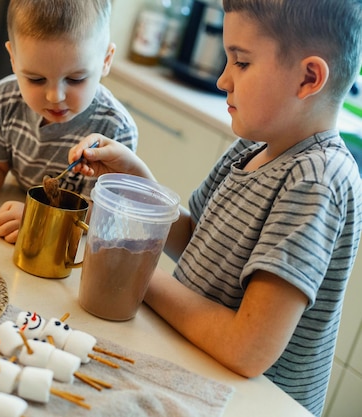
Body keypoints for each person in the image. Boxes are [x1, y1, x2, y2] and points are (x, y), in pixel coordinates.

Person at [68, 0, 362, 415]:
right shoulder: (254, 145)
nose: (223, 79)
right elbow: (195, 239)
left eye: (241, 62)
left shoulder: (317, 178)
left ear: (308, 77)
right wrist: (134, 177)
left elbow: (247, 349)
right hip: (197, 371)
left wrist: (133, 273)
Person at [0, 0, 137, 243]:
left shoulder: (115, 128)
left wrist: (41, 218)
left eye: (75, 79)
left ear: (106, 60)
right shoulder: (4, 100)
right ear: (13, 58)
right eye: (36, 79)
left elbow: (103, 214)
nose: (55, 96)